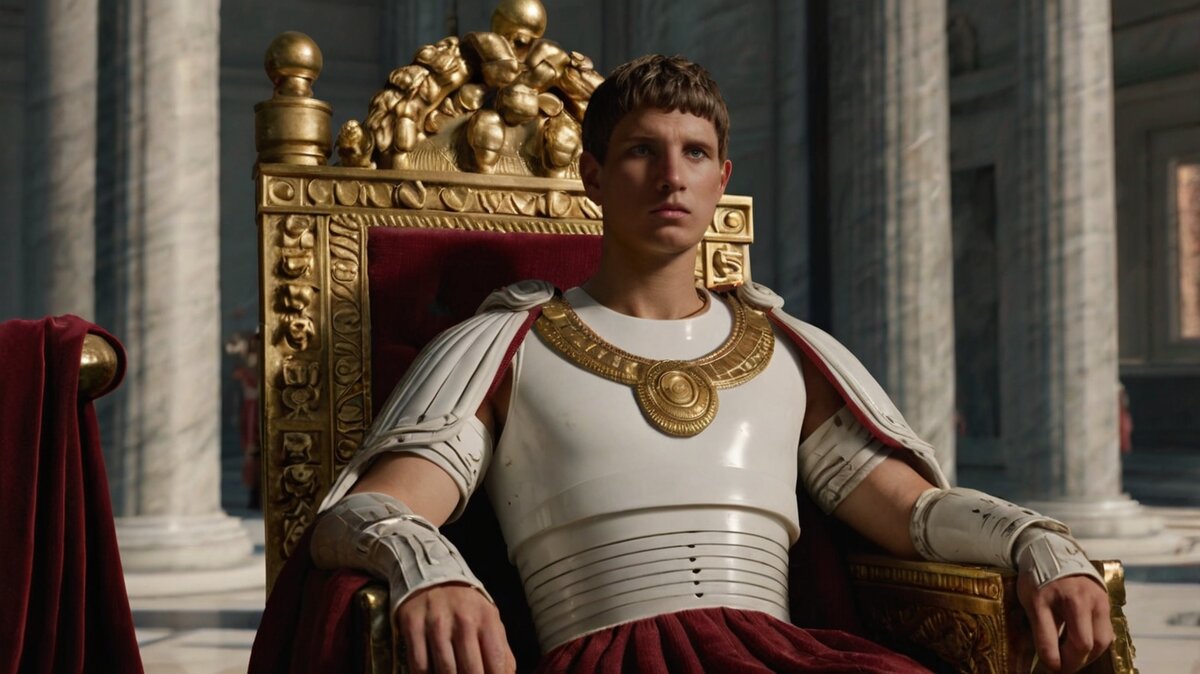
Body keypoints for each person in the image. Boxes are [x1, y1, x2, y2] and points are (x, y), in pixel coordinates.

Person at [308, 55, 1114, 674]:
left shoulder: (786, 350)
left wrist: (1032, 539)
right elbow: (364, 511)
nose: (671, 176)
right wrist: (429, 569)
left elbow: (913, 514)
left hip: (783, 654)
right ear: (592, 175)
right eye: (641, 151)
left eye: (694, 153)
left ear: (721, 179)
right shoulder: (508, 345)